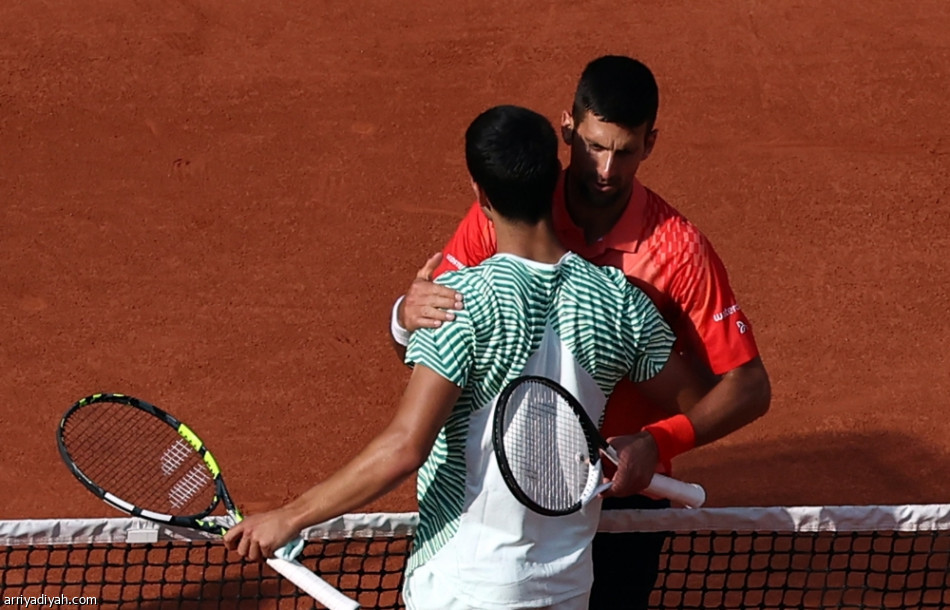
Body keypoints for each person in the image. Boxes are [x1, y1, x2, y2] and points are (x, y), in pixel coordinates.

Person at [226, 105, 717, 609]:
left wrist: (290, 516)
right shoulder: (619, 302)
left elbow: (404, 447)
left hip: (464, 586)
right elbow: (704, 400)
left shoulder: (459, 304)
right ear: (555, 179)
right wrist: (653, 444)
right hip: (567, 588)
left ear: (479, 193)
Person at [389, 56, 772, 609]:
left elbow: (749, 386)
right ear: (568, 128)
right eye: (594, 145)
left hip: (621, 488)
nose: (607, 169)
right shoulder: (510, 212)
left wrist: (658, 441)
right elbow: (434, 334)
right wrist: (405, 317)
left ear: (651, 143)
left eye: (626, 151)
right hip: (510, 479)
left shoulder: (678, 251)